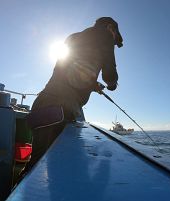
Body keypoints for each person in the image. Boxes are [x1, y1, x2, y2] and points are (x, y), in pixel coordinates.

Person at [27, 17, 123, 168]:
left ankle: (18, 190)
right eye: (114, 36)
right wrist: (112, 84)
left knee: (35, 163)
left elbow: (71, 72)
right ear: (110, 27)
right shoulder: (105, 35)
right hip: (61, 110)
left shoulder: (73, 37)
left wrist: (93, 84)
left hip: (41, 104)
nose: (113, 40)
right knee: (58, 167)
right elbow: (109, 76)